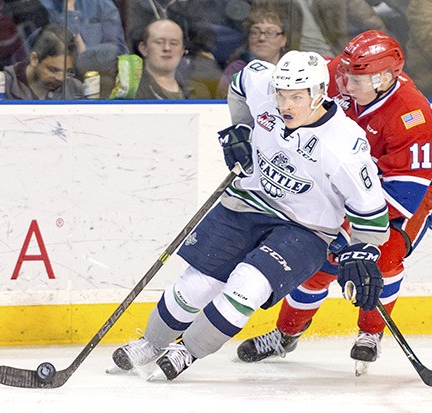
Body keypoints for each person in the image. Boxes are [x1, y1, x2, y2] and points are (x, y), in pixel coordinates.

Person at [107, 50, 391, 381]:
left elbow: (371, 216)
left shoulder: (345, 146)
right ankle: (151, 343)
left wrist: (362, 253)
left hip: (306, 229)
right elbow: (240, 83)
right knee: (198, 284)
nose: (285, 105)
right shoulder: (263, 84)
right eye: (281, 94)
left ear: (319, 93)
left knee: (248, 284)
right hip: (248, 201)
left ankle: (188, 350)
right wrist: (239, 128)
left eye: (296, 97)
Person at [236, 31, 432, 377]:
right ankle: (285, 335)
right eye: (344, 72)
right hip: (341, 190)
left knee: (385, 256)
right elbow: (282, 105)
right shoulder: (336, 74)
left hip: (402, 197)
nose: (343, 82)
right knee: (319, 262)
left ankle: (370, 333)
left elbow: (405, 190)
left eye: (356, 78)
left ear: (386, 78)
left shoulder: (412, 114)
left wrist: (353, 235)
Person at [39, 0, 129, 98]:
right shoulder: (42, 6)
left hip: (102, 84)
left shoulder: (101, 3)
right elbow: (57, 52)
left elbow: (118, 53)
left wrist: (82, 57)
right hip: (58, 89)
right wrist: (69, 10)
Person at [217, 7, 288, 98]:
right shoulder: (237, 70)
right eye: (255, 32)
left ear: (283, 40)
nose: (261, 38)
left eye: (270, 32)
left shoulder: (294, 70)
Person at [3, 23, 82, 99]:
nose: (60, 78)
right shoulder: (3, 86)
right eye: (53, 70)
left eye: (67, 72)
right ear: (34, 59)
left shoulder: (75, 89)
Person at [134, 18, 209, 99]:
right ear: (143, 48)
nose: (167, 48)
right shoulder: (129, 90)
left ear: (182, 51)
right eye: (159, 42)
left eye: (174, 43)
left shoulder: (199, 92)